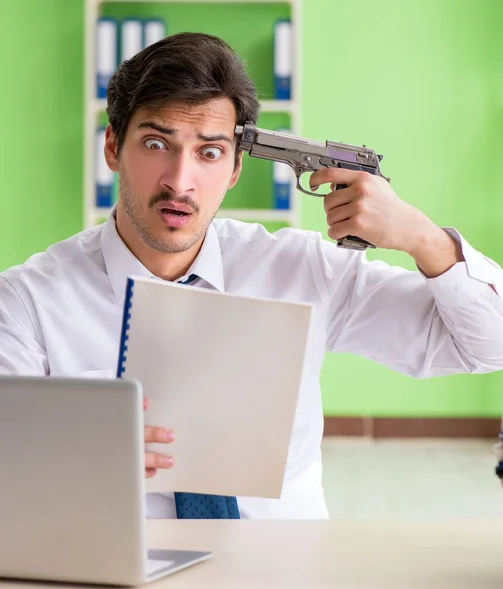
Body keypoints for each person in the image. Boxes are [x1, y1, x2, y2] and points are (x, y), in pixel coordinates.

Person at [0, 32, 502, 520]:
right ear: (112, 147)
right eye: (156, 144)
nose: (179, 180)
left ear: (236, 168)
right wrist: (71, 454)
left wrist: (425, 239)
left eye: (209, 153)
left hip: (289, 571)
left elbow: (488, 346)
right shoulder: (27, 302)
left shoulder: (304, 271)